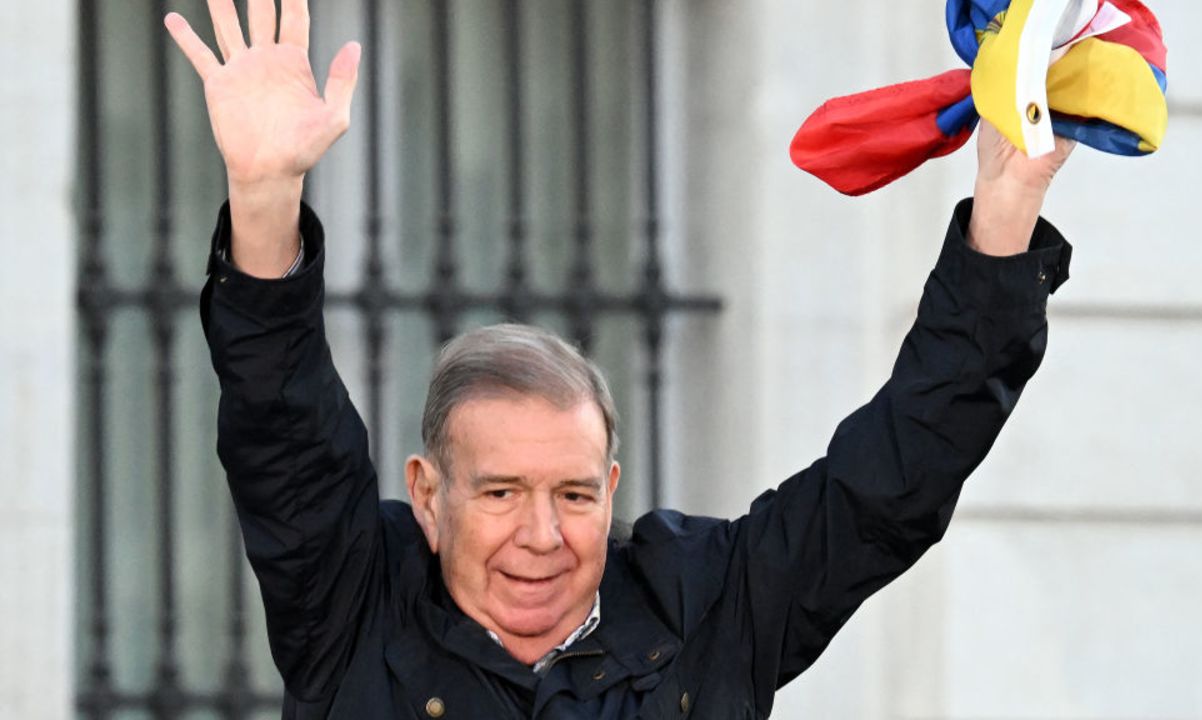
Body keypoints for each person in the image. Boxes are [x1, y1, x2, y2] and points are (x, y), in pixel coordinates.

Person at [167, 1, 1075, 717]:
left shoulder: (704, 608)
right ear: (430, 497)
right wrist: (264, 198)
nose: (541, 537)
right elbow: (281, 427)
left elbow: (893, 483)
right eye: (499, 492)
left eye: (572, 494)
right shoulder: (353, 606)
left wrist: (1003, 219)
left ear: (611, 488)